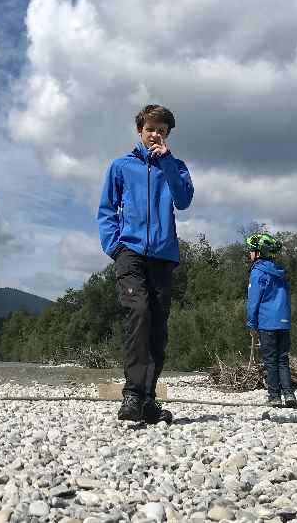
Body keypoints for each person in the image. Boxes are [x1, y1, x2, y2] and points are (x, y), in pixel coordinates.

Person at [98, 104, 194, 423]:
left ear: (167, 135)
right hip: (131, 253)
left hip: (163, 256)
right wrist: (116, 246)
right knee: (137, 313)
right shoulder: (120, 166)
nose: (156, 134)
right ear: (140, 130)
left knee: (158, 327)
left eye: (162, 130)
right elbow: (107, 209)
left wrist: (166, 161)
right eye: (151, 128)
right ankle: (132, 394)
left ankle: (149, 399)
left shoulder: (175, 166)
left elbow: (183, 200)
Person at [244, 232, 297, 408]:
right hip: (283, 322)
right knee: (283, 360)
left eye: (251, 250)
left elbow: (253, 301)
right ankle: (289, 395)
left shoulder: (257, 272)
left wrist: (251, 324)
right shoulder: (279, 272)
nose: (249, 253)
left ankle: (274, 396)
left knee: (270, 361)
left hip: (267, 322)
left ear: (259, 252)